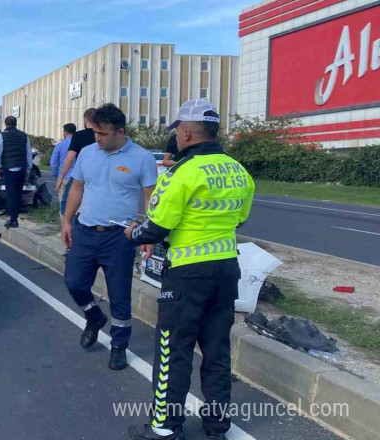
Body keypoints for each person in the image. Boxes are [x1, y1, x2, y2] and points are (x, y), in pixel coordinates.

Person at [124, 99, 255, 440]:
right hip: (226, 270)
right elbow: (241, 218)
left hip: (187, 274)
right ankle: (217, 427)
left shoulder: (181, 173)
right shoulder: (238, 170)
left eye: (177, 133)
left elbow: (155, 228)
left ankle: (166, 429)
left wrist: (132, 232)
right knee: (216, 351)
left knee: (173, 350)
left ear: (185, 132)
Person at [61, 104, 157, 370]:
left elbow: (151, 196)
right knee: (74, 282)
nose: (97, 138)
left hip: (120, 237)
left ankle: (118, 346)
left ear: (120, 132)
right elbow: (78, 187)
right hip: (85, 231)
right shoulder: (88, 153)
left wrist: (148, 233)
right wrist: (67, 220)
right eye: (95, 132)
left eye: (102, 134)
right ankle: (93, 316)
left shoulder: (142, 158)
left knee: (119, 296)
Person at [0, 116, 33, 229]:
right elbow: (28, 154)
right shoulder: (24, 136)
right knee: (18, 193)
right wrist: (28, 169)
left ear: (6, 124)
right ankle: (14, 218)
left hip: (8, 168)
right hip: (21, 168)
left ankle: (13, 220)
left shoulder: (2, 135)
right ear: (16, 124)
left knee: (11, 194)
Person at [55, 109, 97, 194]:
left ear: (85, 121)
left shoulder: (78, 135)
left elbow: (70, 158)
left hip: (82, 174)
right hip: (99, 174)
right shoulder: (102, 135)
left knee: (66, 202)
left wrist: (61, 177)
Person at [50, 123, 77, 224]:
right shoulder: (79, 145)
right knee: (76, 205)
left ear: (65, 132)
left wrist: (57, 174)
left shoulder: (59, 146)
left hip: (63, 178)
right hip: (77, 179)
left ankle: (64, 227)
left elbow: (53, 163)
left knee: (63, 204)